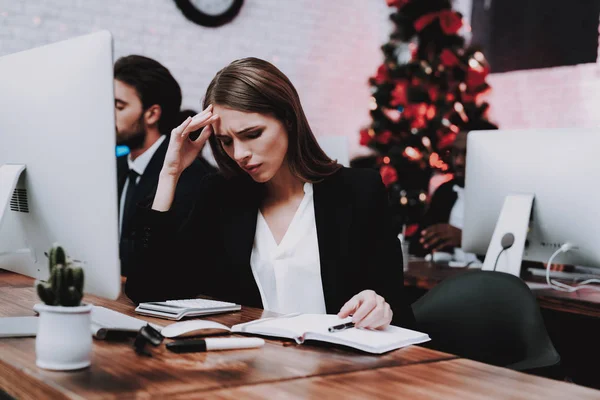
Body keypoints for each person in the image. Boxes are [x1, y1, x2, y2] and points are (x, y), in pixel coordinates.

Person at [125, 58, 415, 330]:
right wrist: (171, 172)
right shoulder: (221, 197)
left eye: (252, 134)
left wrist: (379, 306)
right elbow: (149, 292)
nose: (240, 154)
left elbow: (396, 308)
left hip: (339, 371)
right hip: (253, 370)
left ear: (289, 119)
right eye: (226, 141)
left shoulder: (359, 192)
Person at [114, 55, 209, 277]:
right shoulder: (114, 168)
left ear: (152, 114)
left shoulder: (191, 177)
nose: (108, 115)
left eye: (119, 106)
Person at [409, 122, 497, 258]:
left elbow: (522, 254)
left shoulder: (507, 198)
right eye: (454, 153)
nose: (458, 162)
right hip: (448, 276)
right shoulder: (446, 191)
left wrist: (467, 240)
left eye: (468, 153)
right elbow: (418, 244)